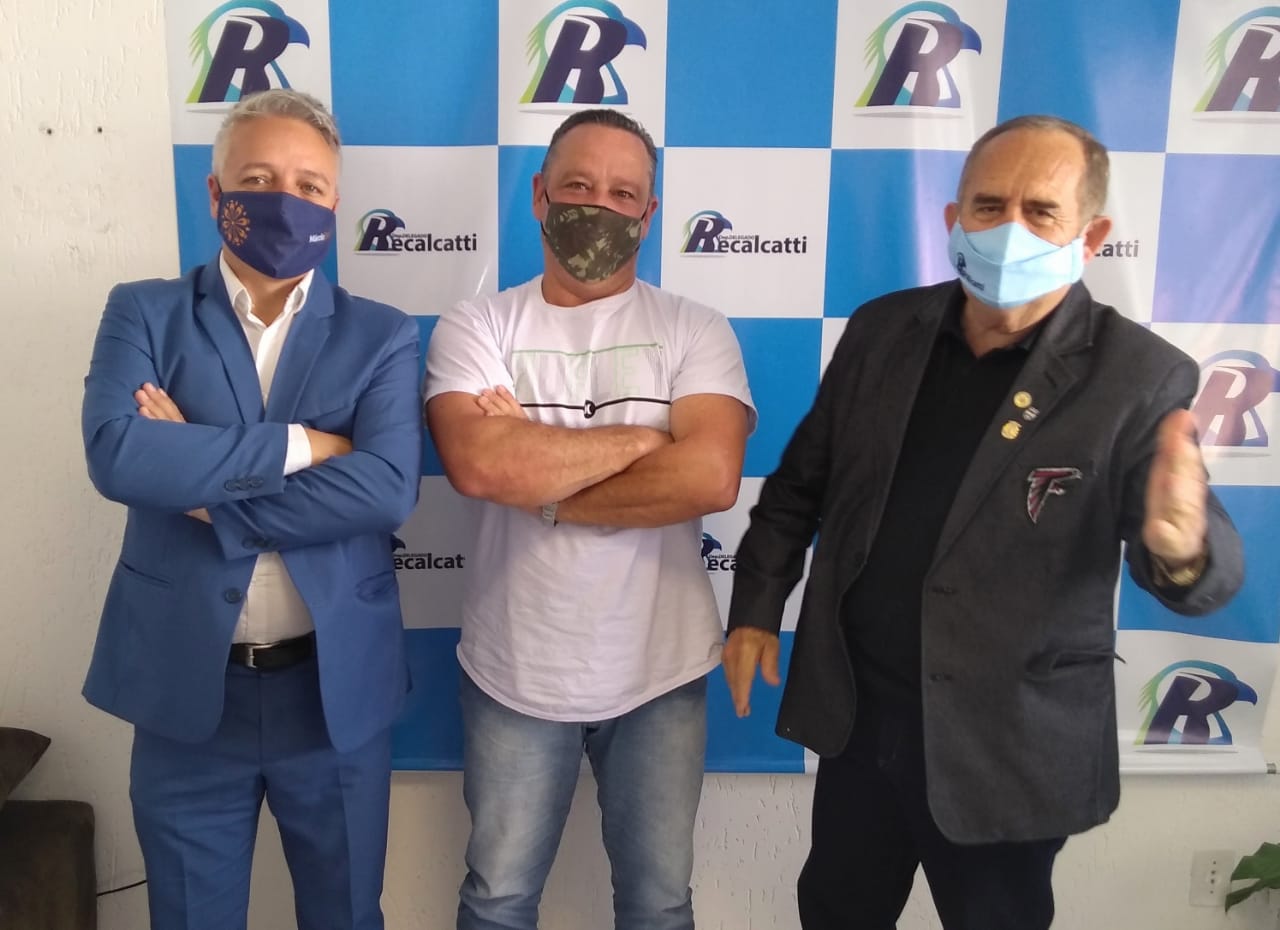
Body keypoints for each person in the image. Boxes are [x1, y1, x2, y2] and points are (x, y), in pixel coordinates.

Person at [722, 114, 1244, 930]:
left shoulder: (1138, 376)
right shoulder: (880, 331)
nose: (1009, 229)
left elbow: (1198, 564)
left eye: (1041, 211)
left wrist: (1181, 551)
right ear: (953, 218)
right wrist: (755, 609)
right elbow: (799, 486)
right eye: (989, 206)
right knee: (834, 911)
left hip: (1006, 748)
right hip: (861, 719)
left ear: (1091, 236)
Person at [81, 89, 421, 930]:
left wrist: (202, 486)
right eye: (259, 179)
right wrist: (308, 445)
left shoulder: (381, 335)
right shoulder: (144, 311)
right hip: (187, 698)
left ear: (334, 203)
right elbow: (119, 455)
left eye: (309, 185)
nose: (285, 199)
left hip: (332, 695)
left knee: (347, 916)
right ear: (215, 192)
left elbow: (385, 488)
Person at [424, 108, 756, 930]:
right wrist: (646, 440)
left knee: (658, 905)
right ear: (539, 195)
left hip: (659, 675)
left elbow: (710, 477)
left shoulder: (694, 328)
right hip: (513, 670)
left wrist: (540, 482)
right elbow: (480, 465)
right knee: (496, 900)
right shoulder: (478, 324)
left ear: (649, 212)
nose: (598, 207)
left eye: (622, 193)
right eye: (577, 186)